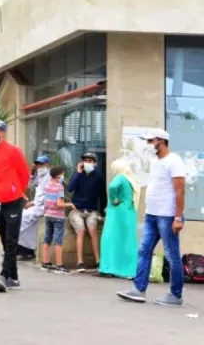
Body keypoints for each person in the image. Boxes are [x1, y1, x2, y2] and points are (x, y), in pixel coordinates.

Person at [118, 129, 187, 306]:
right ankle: (138, 290)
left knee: (172, 255)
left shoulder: (174, 161)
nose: (148, 144)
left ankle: (175, 295)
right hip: (152, 215)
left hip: (167, 216)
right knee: (144, 250)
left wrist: (178, 217)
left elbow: (180, 191)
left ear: (161, 142)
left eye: (150, 141)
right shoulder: (156, 161)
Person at [0, 119, 30, 293]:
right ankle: (14, 277)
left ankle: (3, 275)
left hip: (14, 200)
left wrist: (17, 190)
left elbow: (24, 173)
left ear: (2, 132)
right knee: (5, 240)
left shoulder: (13, 151)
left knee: (11, 239)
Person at [99, 158, 139, 279]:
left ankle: (108, 267)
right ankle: (127, 270)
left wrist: (114, 199)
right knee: (127, 240)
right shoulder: (131, 179)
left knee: (110, 238)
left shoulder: (120, 177)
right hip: (129, 212)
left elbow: (112, 187)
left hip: (118, 212)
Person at [68, 152, 107, 272]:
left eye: (90, 161)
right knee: (81, 231)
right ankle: (80, 262)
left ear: (95, 163)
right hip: (77, 209)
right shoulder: (78, 174)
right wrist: (78, 173)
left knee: (93, 230)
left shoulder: (98, 176)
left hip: (91, 210)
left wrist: (103, 211)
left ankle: (98, 260)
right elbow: (70, 188)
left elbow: (102, 194)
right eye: (85, 160)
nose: (87, 163)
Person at [17, 156, 52, 261]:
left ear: (47, 165)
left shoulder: (50, 176)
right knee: (22, 219)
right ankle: (24, 250)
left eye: (42, 165)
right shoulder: (40, 175)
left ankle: (24, 250)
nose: (40, 167)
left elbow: (46, 196)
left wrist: (33, 203)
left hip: (44, 207)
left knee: (23, 219)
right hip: (37, 205)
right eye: (38, 165)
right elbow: (30, 184)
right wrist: (32, 172)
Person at [41, 166, 75, 274]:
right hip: (58, 217)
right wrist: (70, 204)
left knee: (47, 239)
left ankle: (45, 263)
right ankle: (59, 265)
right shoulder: (59, 187)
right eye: (62, 174)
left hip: (48, 215)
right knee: (58, 241)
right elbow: (59, 204)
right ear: (59, 175)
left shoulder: (47, 185)